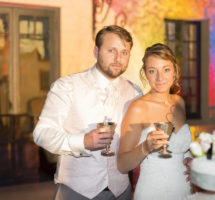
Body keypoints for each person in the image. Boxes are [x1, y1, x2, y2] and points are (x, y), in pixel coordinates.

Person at [33, 25, 142, 200]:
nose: (118, 58)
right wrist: (83, 141)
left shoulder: (135, 92)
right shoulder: (66, 86)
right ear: (96, 51)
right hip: (77, 191)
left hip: (121, 190)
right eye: (111, 50)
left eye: (124, 52)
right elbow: (42, 134)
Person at [117, 43, 192, 200]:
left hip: (184, 189)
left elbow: (181, 147)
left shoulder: (179, 102)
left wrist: (190, 160)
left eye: (166, 69)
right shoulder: (138, 108)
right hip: (153, 191)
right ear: (145, 73)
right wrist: (145, 147)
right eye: (152, 71)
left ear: (175, 71)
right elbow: (122, 164)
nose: (160, 78)